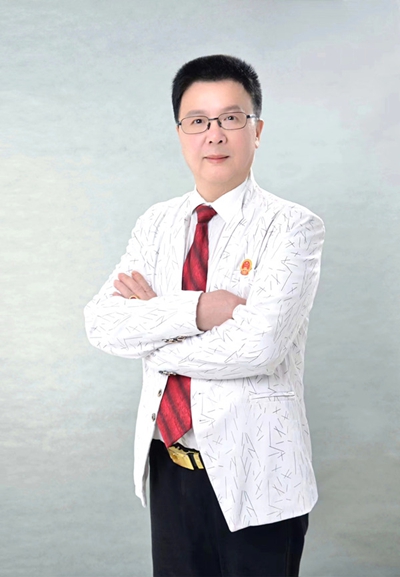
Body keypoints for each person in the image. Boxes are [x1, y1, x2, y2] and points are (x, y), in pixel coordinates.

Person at [84, 54, 325, 577]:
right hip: (169, 467)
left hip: (258, 477)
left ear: (257, 130)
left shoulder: (291, 227)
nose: (214, 134)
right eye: (198, 121)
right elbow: (101, 323)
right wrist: (199, 309)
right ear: (180, 133)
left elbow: (259, 347)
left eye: (231, 118)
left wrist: (152, 332)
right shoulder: (155, 224)